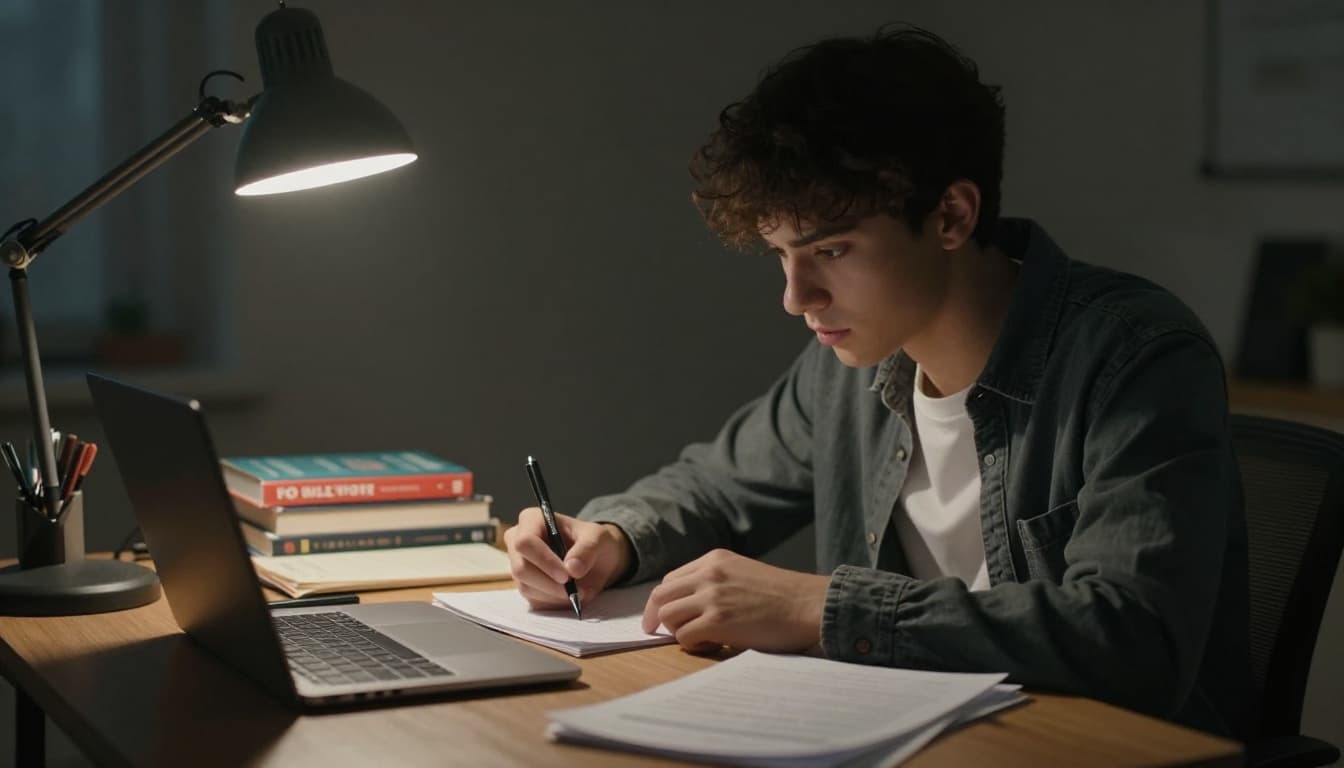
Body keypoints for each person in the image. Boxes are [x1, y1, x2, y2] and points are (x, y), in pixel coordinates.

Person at [503, 24, 1250, 737]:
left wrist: (823, 606)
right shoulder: (847, 368)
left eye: (831, 250)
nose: (797, 297)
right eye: (781, 255)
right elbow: (714, 489)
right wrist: (610, 537)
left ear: (952, 215)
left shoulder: (1135, 356)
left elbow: (1131, 640)